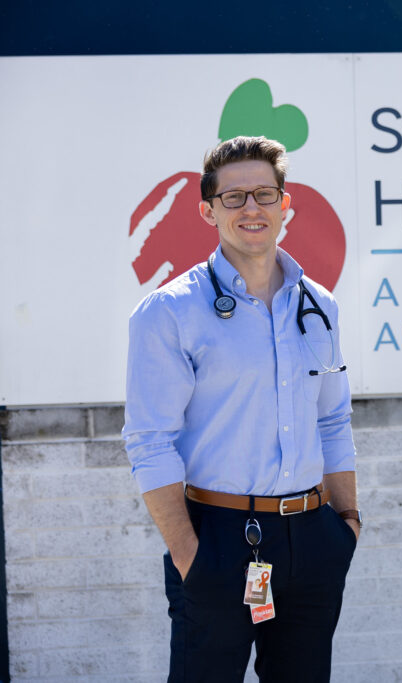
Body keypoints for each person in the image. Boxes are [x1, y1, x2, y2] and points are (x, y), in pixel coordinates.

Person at [123, 136, 359, 682]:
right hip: (218, 539)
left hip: (312, 538)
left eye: (264, 193)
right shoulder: (169, 311)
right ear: (208, 210)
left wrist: (346, 523)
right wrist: (190, 556)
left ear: (285, 205)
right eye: (233, 197)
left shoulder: (319, 306)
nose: (251, 208)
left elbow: (333, 420)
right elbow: (149, 441)